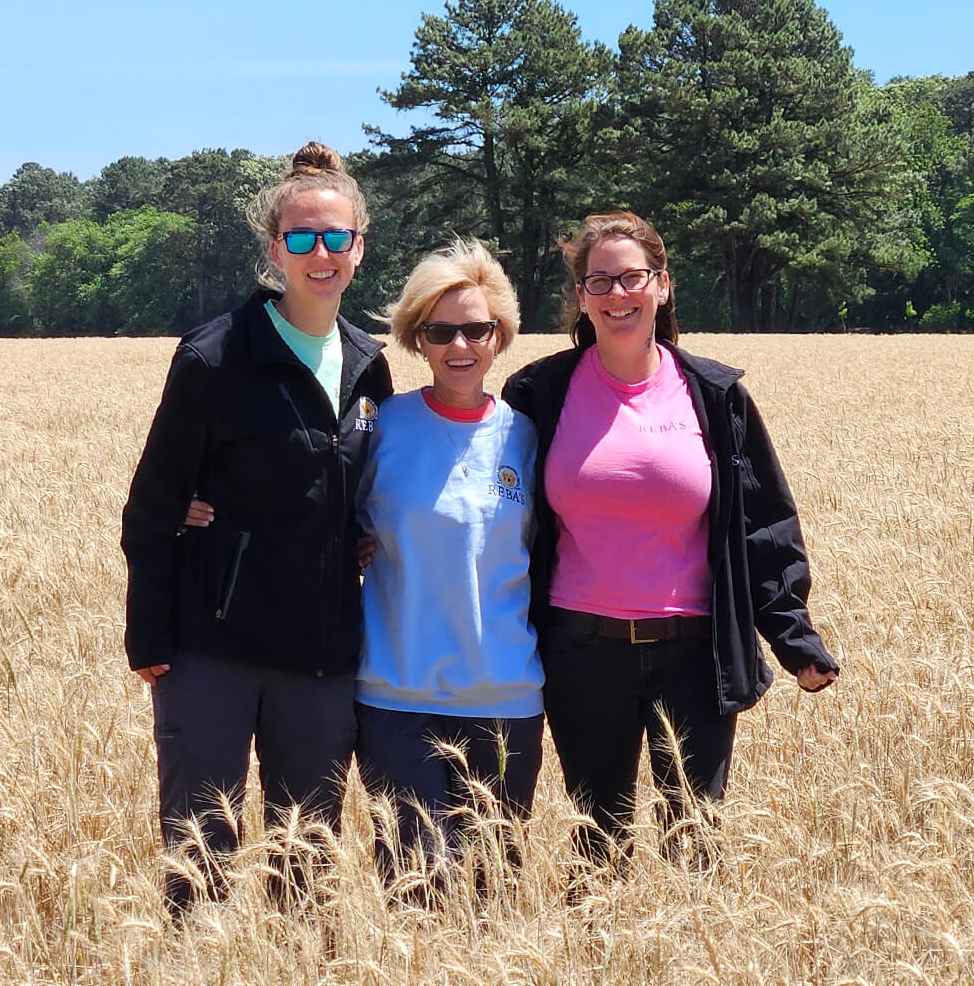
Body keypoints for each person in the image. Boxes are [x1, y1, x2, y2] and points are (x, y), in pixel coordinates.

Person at [501, 211, 838, 869]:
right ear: (581, 297)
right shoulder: (538, 393)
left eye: (632, 277)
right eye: (599, 281)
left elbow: (763, 525)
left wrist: (793, 637)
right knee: (599, 842)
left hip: (694, 655)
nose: (616, 294)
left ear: (663, 285)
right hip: (579, 653)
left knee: (695, 841)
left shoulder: (715, 396)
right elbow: (496, 508)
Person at [120, 142, 393, 915]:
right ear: (275, 248)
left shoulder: (370, 366)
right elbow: (151, 509)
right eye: (302, 238)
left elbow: (366, 484)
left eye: (335, 237)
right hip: (214, 650)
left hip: (321, 656)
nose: (320, 253)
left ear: (359, 247)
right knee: (201, 860)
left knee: (307, 867)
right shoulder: (215, 357)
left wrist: (364, 536)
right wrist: (150, 641)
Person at [353, 240, 543, 895]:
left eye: (477, 329)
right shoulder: (381, 428)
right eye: (440, 331)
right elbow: (313, 514)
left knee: (491, 893)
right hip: (396, 698)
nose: (460, 345)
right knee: (417, 892)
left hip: (506, 701)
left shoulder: (529, 434)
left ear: (501, 335)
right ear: (416, 339)